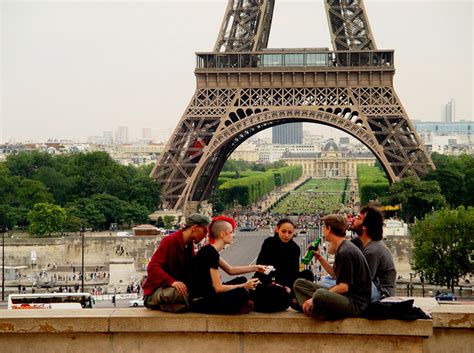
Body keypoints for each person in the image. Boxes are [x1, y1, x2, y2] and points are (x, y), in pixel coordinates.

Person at [293, 214, 371, 320]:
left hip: (355, 303)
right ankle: (312, 307)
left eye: (324, 228)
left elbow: (344, 287)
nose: (323, 231)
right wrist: (320, 258)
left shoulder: (345, 252)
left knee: (320, 294)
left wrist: (313, 298)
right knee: (300, 284)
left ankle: (315, 309)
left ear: (329, 229)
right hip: (346, 297)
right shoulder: (343, 247)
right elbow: (336, 275)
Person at [189, 216, 267, 314]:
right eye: (231, 232)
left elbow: (231, 270)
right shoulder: (211, 253)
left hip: (206, 295)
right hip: (200, 300)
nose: (233, 235)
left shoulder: (209, 250)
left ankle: (241, 304)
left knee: (241, 279)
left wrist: (256, 267)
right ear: (222, 234)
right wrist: (244, 286)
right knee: (242, 291)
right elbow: (218, 288)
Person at [142, 213, 211, 312]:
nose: (205, 235)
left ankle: (180, 305)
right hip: (154, 292)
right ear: (195, 227)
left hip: (169, 289)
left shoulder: (188, 244)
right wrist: (172, 282)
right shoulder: (169, 241)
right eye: (204, 231)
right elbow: (152, 268)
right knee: (183, 293)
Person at [253, 218, 313, 312]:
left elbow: (293, 272)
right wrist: (275, 283)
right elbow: (261, 267)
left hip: (286, 283)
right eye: (284, 231)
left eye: (290, 232)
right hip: (268, 281)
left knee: (308, 274)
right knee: (276, 292)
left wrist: (287, 286)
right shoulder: (269, 243)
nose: (286, 235)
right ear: (277, 229)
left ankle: (291, 297)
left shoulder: (295, 248)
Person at [350, 205, 396, 301]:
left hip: (379, 292)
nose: (353, 219)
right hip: (367, 285)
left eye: (358, 218)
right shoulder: (357, 242)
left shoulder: (373, 251)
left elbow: (363, 281)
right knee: (327, 282)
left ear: (365, 227)